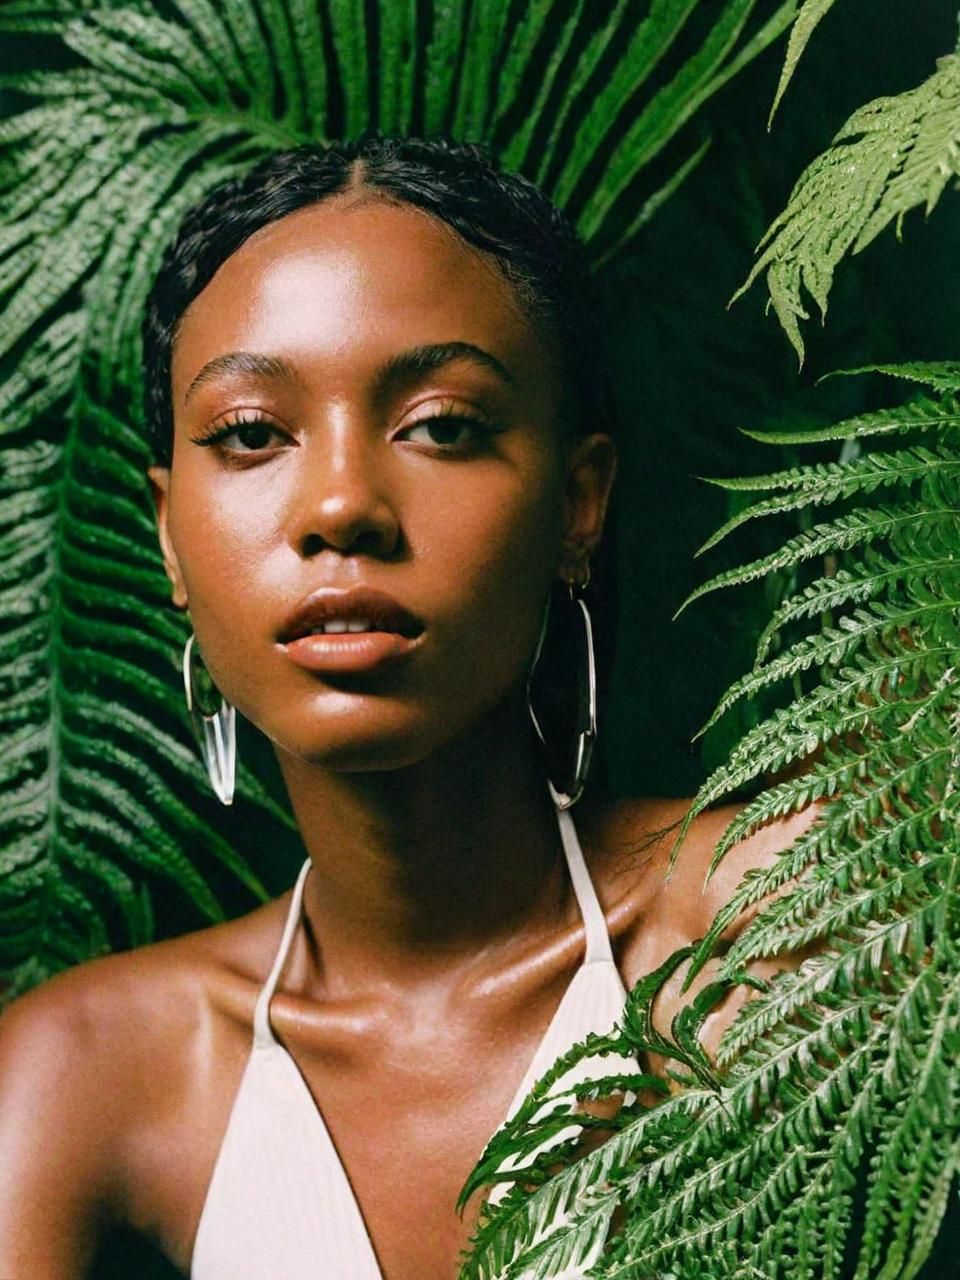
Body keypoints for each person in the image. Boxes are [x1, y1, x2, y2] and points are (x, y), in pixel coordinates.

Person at [0, 136, 809, 1279]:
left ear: (580, 504)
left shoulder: (775, 919)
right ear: (169, 530)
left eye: (440, 424)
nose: (341, 506)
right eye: (251, 434)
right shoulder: (85, 1070)